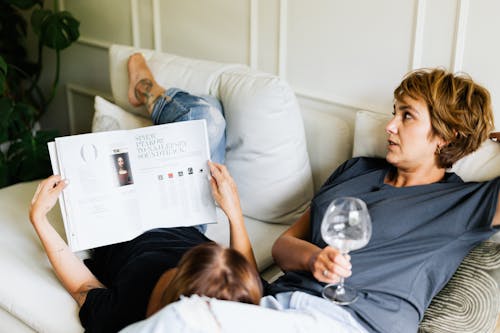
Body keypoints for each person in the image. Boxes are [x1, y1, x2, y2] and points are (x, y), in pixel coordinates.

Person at [29, 53, 261, 333]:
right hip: (182, 214)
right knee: (207, 119)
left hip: (119, 223)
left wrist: (39, 219)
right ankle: (151, 96)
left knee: (204, 113)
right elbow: (250, 277)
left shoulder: (127, 311)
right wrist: (234, 212)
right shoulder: (235, 301)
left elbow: (82, 287)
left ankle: (144, 88)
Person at [263, 68, 500, 333]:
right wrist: (314, 259)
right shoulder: (355, 170)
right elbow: (283, 246)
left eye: (407, 116)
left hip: (354, 322)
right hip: (277, 303)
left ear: (447, 136)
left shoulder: (465, 203)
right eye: (394, 113)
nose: (390, 126)